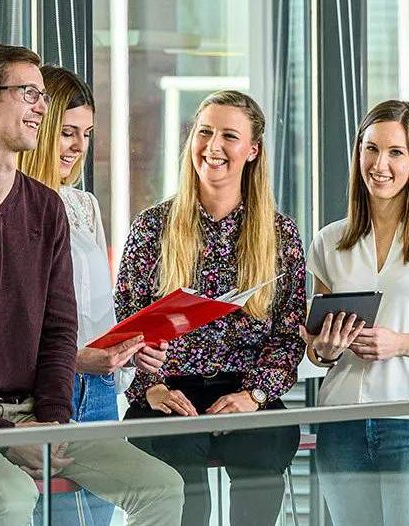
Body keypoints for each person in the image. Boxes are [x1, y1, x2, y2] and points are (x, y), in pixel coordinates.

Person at [0, 42, 183, 526]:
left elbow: (59, 330)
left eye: (43, 96)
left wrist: (51, 421)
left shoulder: (47, 209)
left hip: (31, 412)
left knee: (160, 487)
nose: (42, 107)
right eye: (29, 94)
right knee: (8, 495)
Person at [117, 90, 306, 526]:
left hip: (244, 392)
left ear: (252, 150)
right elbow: (127, 325)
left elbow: (287, 333)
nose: (213, 146)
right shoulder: (152, 228)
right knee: (183, 486)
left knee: (264, 453)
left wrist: (254, 395)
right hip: (169, 394)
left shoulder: (280, 234)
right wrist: (152, 386)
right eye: (204, 132)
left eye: (229, 136)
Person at [303, 100, 409, 526]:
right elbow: (314, 348)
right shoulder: (330, 242)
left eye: (395, 152)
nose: (379, 164)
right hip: (341, 423)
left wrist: (400, 343)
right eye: (371, 149)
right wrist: (324, 349)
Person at [16, 64, 173, 526]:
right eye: (66, 132)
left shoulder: (84, 205)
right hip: (43, 394)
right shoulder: (8, 204)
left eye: (85, 133)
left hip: (101, 390)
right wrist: (76, 358)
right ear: (38, 126)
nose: (77, 146)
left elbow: (98, 307)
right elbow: (8, 325)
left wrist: (129, 349)